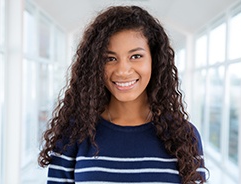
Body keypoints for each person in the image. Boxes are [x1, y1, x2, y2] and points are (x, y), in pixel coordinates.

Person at [38, 5, 207, 184]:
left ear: (154, 60)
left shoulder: (184, 136)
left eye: (135, 56)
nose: (123, 71)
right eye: (110, 59)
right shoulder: (73, 135)